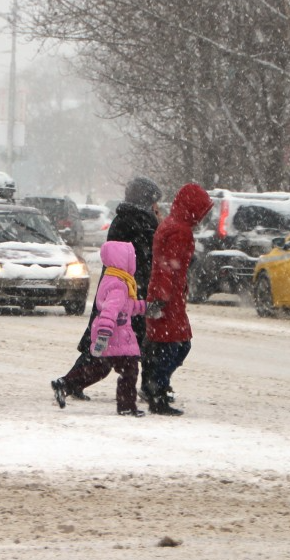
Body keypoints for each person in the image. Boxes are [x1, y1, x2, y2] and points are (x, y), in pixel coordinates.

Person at [53, 177, 162, 402]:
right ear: (145, 200)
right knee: (117, 346)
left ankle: (72, 382)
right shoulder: (135, 221)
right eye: (154, 202)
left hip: (125, 287)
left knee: (110, 345)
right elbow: (145, 254)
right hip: (125, 290)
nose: (157, 207)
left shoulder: (130, 219)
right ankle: (145, 391)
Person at [51, 240, 147, 417]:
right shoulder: (120, 284)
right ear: (123, 260)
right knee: (129, 371)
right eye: (131, 258)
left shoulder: (112, 279)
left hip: (112, 335)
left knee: (99, 369)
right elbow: (110, 311)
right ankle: (126, 406)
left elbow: (126, 308)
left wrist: (145, 307)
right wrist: (104, 334)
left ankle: (65, 384)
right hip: (116, 336)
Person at [142, 182, 213, 416]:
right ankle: (157, 392)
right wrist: (163, 297)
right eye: (201, 210)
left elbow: (166, 266)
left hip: (167, 295)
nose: (203, 217)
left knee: (164, 345)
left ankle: (153, 386)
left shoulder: (171, 225)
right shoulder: (180, 231)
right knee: (174, 346)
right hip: (168, 298)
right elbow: (168, 267)